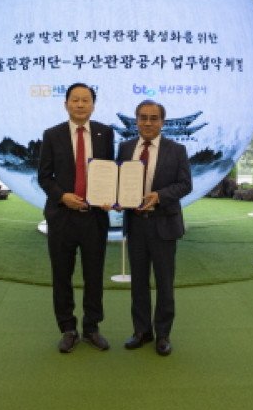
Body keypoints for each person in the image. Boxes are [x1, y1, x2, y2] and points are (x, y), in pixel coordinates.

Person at [38, 82, 115, 353]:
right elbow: (44, 177)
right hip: (62, 217)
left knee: (94, 275)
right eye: (75, 99)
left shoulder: (105, 133)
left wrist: (111, 196)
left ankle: (92, 328)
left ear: (93, 105)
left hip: (94, 218)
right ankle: (68, 329)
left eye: (85, 100)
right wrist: (62, 196)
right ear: (66, 104)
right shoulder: (52, 135)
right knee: (62, 275)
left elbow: (110, 171)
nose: (80, 104)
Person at [118, 100, 192, 356]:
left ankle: (163, 335)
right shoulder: (125, 148)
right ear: (136, 120)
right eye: (143, 117)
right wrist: (115, 199)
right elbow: (118, 182)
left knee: (164, 283)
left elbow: (185, 185)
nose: (147, 123)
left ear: (162, 122)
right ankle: (141, 331)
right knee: (138, 282)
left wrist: (159, 196)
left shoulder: (177, 150)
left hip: (164, 225)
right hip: (136, 225)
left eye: (153, 118)